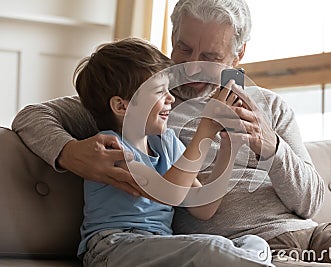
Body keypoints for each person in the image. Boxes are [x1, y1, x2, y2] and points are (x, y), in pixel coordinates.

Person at [12, 0, 331, 266]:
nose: (194, 67)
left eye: (211, 57)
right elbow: (32, 116)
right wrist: (68, 152)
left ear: (238, 55)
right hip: (251, 251)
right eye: (183, 50)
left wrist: (272, 148)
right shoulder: (145, 101)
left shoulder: (271, 107)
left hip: (315, 236)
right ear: (171, 42)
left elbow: (312, 203)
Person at [73, 37, 273, 266]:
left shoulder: (165, 142)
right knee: (212, 248)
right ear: (122, 106)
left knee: (254, 243)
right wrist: (205, 128)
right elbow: (168, 192)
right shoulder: (108, 149)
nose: (170, 98)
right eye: (159, 91)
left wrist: (229, 143)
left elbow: (203, 207)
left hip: (161, 244)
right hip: (113, 247)